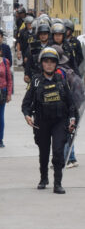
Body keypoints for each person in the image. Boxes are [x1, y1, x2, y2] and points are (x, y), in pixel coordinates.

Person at [22, 47, 77, 194]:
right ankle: (43, 178)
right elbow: (26, 104)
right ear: (42, 63)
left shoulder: (62, 81)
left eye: (52, 62)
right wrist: (27, 115)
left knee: (58, 152)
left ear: (56, 64)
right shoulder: (36, 81)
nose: (49, 65)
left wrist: (72, 119)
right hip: (42, 122)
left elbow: (71, 103)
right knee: (44, 151)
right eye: (46, 62)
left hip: (59, 122)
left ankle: (58, 183)